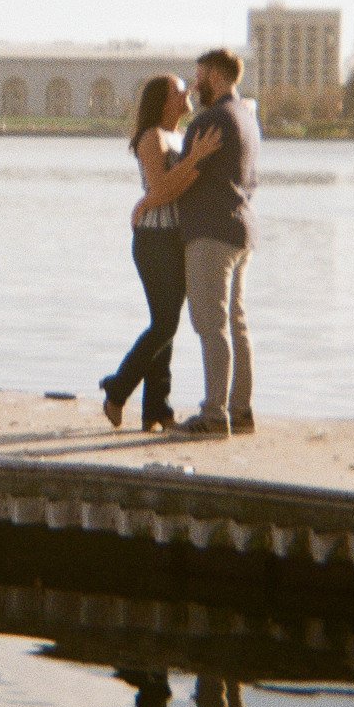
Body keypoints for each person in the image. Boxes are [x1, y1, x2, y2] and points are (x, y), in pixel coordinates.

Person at [132, 46, 257, 436]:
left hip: (210, 234)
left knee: (211, 325)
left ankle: (214, 415)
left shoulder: (211, 120)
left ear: (216, 76)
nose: (195, 84)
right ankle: (242, 411)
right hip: (242, 230)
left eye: (199, 76)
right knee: (236, 324)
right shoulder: (246, 116)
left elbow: (179, 183)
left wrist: (147, 201)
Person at [98, 73, 212, 430]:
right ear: (163, 102)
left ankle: (156, 410)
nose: (188, 92)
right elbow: (163, 188)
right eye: (180, 91)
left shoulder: (181, 136)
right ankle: (118, 389)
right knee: (165, 322)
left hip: (176, 238)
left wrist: (194, 160)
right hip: (153, 240)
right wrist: (195, 160)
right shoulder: (152, 137)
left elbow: (180, 185)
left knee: (167, 324)